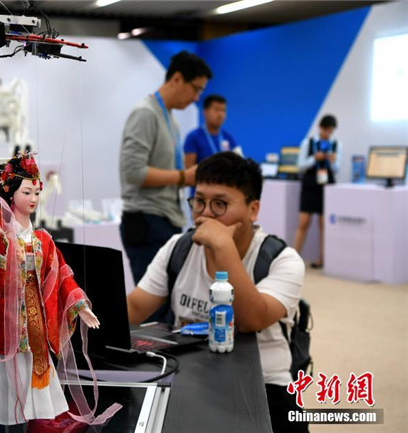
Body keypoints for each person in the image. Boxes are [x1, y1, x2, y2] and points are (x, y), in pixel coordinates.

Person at [126, 152, 307, 433]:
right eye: (199, 201)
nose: (206, 213)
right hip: (190, 375)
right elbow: (135, 308)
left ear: (253, 209)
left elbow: (252, 320)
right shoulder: (178, 247)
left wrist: (223, 247)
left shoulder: (282, 260)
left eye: (220, 204)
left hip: (265, 384)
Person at [0, 152, 120, 426]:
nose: (33, 198)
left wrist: (80, 306)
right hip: (9, 319)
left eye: (37, 192)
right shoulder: (5, 236)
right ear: (11, 194)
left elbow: (62, 276)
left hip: (36, 320)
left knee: (40, 379)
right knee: (12, 378)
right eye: (27, 192)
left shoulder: (43, 240)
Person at [119, 51, 211, 320]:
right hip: (146, 221)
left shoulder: (169, 118)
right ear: (177, 79)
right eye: (196, 89)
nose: (196, 98)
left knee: (168, 308)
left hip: (165, 218)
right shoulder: (145, 113)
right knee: (154, 312)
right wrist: (183, 177)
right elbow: (133, 172)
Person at [293, 114, 340, 269]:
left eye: (330, 131)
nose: (328, 134)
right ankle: (293, 259)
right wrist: (315, 158)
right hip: (310, 184)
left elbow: (337, 169)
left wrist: (332, 161)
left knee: (324, 224)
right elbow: (300, 166)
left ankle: (323, 260)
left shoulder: (336, 145)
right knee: (303, 223)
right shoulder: (308, 143)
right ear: (320, 127)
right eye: (326, 130)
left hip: (326, 185)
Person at [183, 94, 242, 168]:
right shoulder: (193, 137)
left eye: (223, 110)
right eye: (216, 110)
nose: (220, 114)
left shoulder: (228, 137)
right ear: (205, 112)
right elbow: (188, 168)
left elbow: (239, 164)